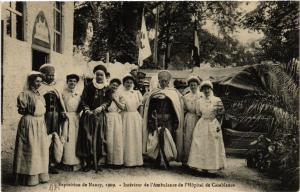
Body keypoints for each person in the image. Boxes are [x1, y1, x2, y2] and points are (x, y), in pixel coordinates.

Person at [13, 71, 49, 186]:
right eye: (37, 81)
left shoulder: (39, 94)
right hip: (29, 123)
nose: (39, 84)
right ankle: (28, 176)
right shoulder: (25, 94)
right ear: (31, 81)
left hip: (40, 123)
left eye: (40, 82)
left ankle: (39, 175)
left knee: (40, 148)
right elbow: (22, 110)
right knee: (31, 149)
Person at [143, 70, 184, 168]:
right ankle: (157, 159)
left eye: (165, 81)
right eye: (161, 81)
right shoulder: (153, 93)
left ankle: (166, 159)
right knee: (156, 139)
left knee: (168, 139)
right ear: (159, 81)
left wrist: (175, 121)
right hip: (156, 119)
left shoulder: (173, 93)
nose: (163, 83)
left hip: (168, 120)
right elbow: (149, 108)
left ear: (168, 81)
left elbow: (176, 108)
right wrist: (150, 120)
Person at [76, 64, 112, 173]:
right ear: (95, 75)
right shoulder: (89, 86)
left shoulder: (107, 88)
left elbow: (108, 100)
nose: (99, 77)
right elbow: (83, 99)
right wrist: (86, 109)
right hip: (88, 116)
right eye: (97, 75)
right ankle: (87, 162)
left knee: (99, 138)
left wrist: (101, 107)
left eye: (101, 75)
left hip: (100, 116)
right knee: (87, 138)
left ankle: (96, 162)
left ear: (104, 76)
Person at [187, 80, 226, 177]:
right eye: (204, 89)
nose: (206, 90)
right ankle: (199, 167)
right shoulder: (199, 101)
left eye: (208, 88)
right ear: (202, 90)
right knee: (200, 145)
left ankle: (212, 169)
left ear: (211, 89)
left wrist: (219, 125)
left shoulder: (217, 100)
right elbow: (198, 113)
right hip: (202, 124)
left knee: (212, 145)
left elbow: (221, 114)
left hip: (213, 123)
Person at [39, 63, 66, 174]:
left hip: (55, 117)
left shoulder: (56, 87)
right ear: (43, 75)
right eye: (48, 75)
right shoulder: (40, 87)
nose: (51, 77)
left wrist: (62, 112)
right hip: (44, 118)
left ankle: (51, 164)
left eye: (52, 75)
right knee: (43, 139)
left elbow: (60, 102)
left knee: (54, 139)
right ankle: (42, 164)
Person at [119, 74, 144, 167]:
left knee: (135, 137)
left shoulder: (137, 93)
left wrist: (140, 117)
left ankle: (136, 161)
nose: (129, 84)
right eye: (127, 82)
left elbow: (141, 105)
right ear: (123, 83)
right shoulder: (120, 93)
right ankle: (126, 160)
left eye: (130, 82)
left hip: (135, 117)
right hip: (125, 116)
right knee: (126, 137)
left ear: (133, 83)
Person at [61, 74, 81, 171]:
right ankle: (66, 162)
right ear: (67, 82)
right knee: (67, 139)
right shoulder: (63, 93)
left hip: (76, 118)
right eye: (70, 81)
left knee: (76, 139)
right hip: (66, 118)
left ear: (76, 83)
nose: (72, 83)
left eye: (74, 81)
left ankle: (76, 162)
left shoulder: (79, 93)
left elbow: (82, 105)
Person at [182, 76, 203, 167]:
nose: (193, 87)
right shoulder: (186, 96)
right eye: (191, 85)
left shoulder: (201, 95)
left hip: (199, 118)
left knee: (198, 138)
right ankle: (186, 160)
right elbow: (184, 109)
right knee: (188, 138)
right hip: (189, 117)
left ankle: (197, 161)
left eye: (194, 85)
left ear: (198, 85)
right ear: (189, 86)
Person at [106, 78, 125, 168]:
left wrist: (115, 99)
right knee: (108, 139)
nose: (114, 86)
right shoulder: (105, 93)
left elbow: (122, 107)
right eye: (113, 84)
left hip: (116, 117)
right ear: (110, 85)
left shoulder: (120, 95)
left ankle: (117, 162)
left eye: (116, 85)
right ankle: (108, 161)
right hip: (107, 116)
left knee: (117, 139)